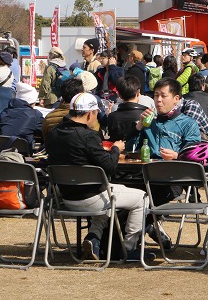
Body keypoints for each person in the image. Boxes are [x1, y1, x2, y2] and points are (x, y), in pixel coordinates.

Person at [46, 92, 151, 262]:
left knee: (116, 193)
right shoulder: (88, 136)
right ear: (90, 113)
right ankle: (129, 248)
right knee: (142, 198)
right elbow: (109, 167)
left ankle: (93, 239)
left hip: (66, 197)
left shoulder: (54, 132)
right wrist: (116, 150)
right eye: (96, 114)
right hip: (90, 197)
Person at [134, 78, 201, 160]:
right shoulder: (149, 123)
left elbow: (193, 154)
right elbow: (131, 149)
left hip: (175, 169)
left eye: (163, 96)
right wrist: (139, 126)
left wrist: (177, 156)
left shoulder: (188, 124)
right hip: (149, 169)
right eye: (156, 95)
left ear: (176, 99)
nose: (158, 100)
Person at [107, 75, 155, 143]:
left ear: (120, 95)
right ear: (138, 93)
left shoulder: (112, 116)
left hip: (118, 151)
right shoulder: (147, 114)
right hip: (142, 152)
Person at [0, 82, 44, 148]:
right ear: (31, 103)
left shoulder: (4, 113)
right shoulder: (35, 115)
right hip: (24, 153)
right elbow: (44, 131)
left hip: (4, 150)